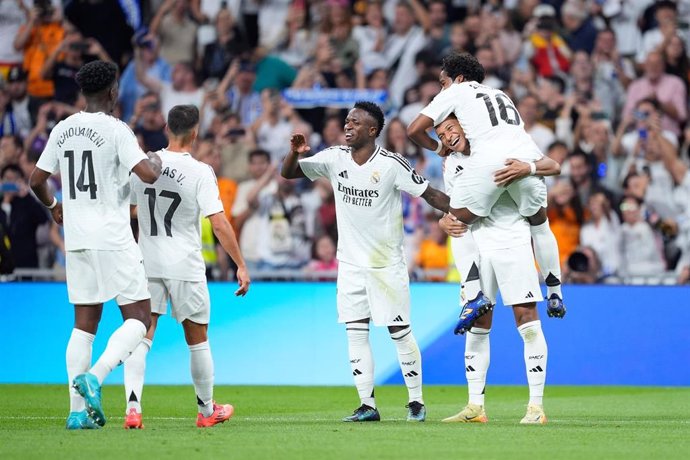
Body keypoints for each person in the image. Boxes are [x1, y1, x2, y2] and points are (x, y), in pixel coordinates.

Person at [281, 101, 450, 423]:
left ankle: (416, 401)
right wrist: (296, 152)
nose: (347, 126)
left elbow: (430, 194)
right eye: (347, 121)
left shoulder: (391, 164)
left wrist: (466, 214)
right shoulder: (333, 158)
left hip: (386, 264)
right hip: (350, 265)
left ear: (372, 131)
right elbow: (288, 173)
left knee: (399, 331)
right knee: (356, 332)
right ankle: (367, 404)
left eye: (355, 123)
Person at [29, 60, 163, 430]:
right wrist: (152, 159)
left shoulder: (62, 129)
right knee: (139, 317)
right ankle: (97, 376)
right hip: (113, 238)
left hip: (78, 240)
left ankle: (76, 413)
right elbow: (149, 177)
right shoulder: (117, 130)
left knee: (83, 327)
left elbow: (36, 179)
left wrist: (56, 207)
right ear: (113, 92)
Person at [407, 52, 566, 333]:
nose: (441, 89)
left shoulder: (456, 91)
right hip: (526, 158)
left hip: (489, 164)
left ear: (458, 78)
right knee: (540, 223)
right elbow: (554, 166)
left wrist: (438, 147)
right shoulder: (501, 95)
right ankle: (554, 291)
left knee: (457, 222)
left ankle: (473, 294)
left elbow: (414, 130)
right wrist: (529, 167)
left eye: (443, 82)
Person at [124, 104, 250, 429]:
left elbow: (131, 211)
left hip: (146, 261)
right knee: (197, 339)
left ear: (166, 128)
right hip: (185, 264)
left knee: (141, 334)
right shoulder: (200, 171)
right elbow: (219, 223)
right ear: (195, 132)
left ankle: (133, 409)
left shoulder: (142, 163)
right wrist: (240, 264)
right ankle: (207, 411)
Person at [436, 116, 557, 425]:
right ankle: (475, 407)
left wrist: (528, 168)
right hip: (476, 245)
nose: (447, 136)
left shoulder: (502, 147)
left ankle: (536, 407)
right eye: (440, 133)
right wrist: (445, 219)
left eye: (451, 128)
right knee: (477, 324)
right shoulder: (450, 164)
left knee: (527, 321)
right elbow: (456, 205)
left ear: (466, 125)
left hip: (511, 241)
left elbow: (552, 166)